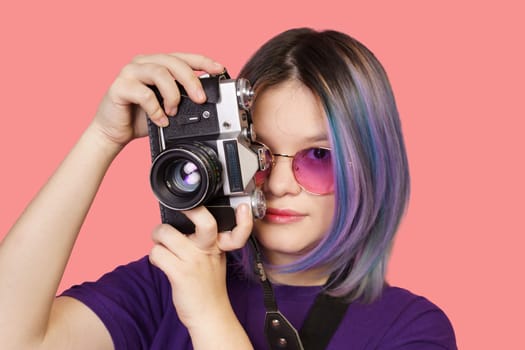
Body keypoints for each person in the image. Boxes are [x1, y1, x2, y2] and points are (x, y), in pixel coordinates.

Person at [0, 28, 457, 349]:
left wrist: (210, 316)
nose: (278, 184)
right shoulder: (168, 283)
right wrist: (102, 138)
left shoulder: (412, 329)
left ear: (372, 167)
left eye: (319, 157)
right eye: (256, 151)